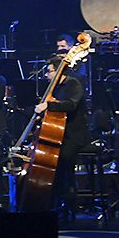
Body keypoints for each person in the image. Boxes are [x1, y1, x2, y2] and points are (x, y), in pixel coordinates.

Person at [33, 56, 91, 213]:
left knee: (62, 158)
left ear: (59, 72)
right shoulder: (53, 88)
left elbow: (71, 105)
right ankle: (52, 200)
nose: (46, 75)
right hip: (58, 133)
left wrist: (48, 105)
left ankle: (68, 198)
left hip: (74, 134)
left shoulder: (73, 84)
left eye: (49, 71)